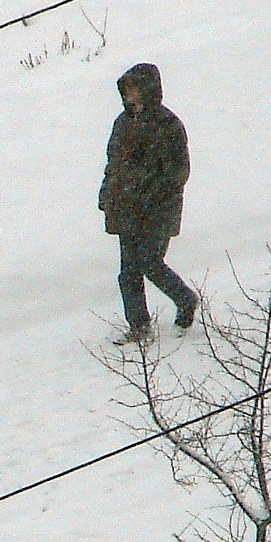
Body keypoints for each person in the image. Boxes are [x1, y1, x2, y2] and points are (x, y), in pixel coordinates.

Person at [98, 61, 197, 343]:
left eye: (134, 88)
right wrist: (107, 192)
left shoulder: (168, 124)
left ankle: (186, 300)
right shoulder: (122, 122)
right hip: (126, 207)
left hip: (157, 209)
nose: (130, 94)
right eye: (126, 89)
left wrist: (152, 193)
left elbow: (179, 171)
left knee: (150, 262)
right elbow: (113, 163)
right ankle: (139, 327)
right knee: (128, 272)